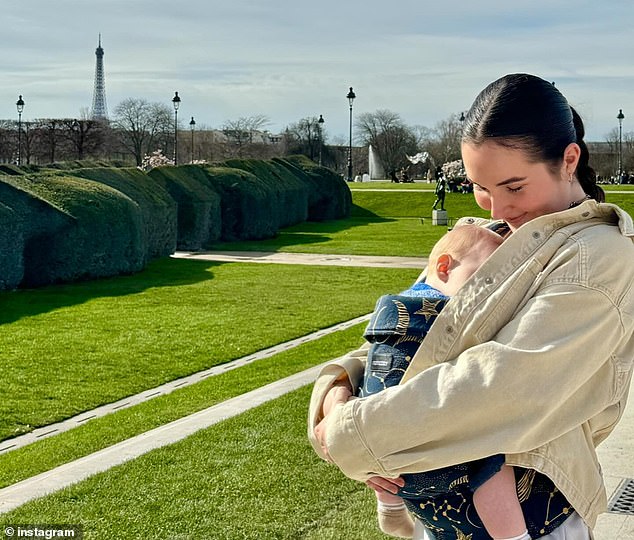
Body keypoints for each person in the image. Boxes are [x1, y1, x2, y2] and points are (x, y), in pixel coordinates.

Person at [309, 73, 634, 539]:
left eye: (514, 187)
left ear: (569, 160)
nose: (497, 208)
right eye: (480, 187)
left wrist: (353, 433)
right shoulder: (491, 237)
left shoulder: (598, 257)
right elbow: (409, 337)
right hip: (439, 505)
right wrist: (338, 389)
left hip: (531, 519)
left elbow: (504, 388)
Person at [357, 225, 530, 539]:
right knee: (493, 465)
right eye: (485, 282)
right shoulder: (443, 318)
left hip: (385, 459)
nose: (491, 297)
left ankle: (390, 507)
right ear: (444, 267)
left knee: (374, 417)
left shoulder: (392, 313)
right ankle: (514, 535)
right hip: (437, 455)